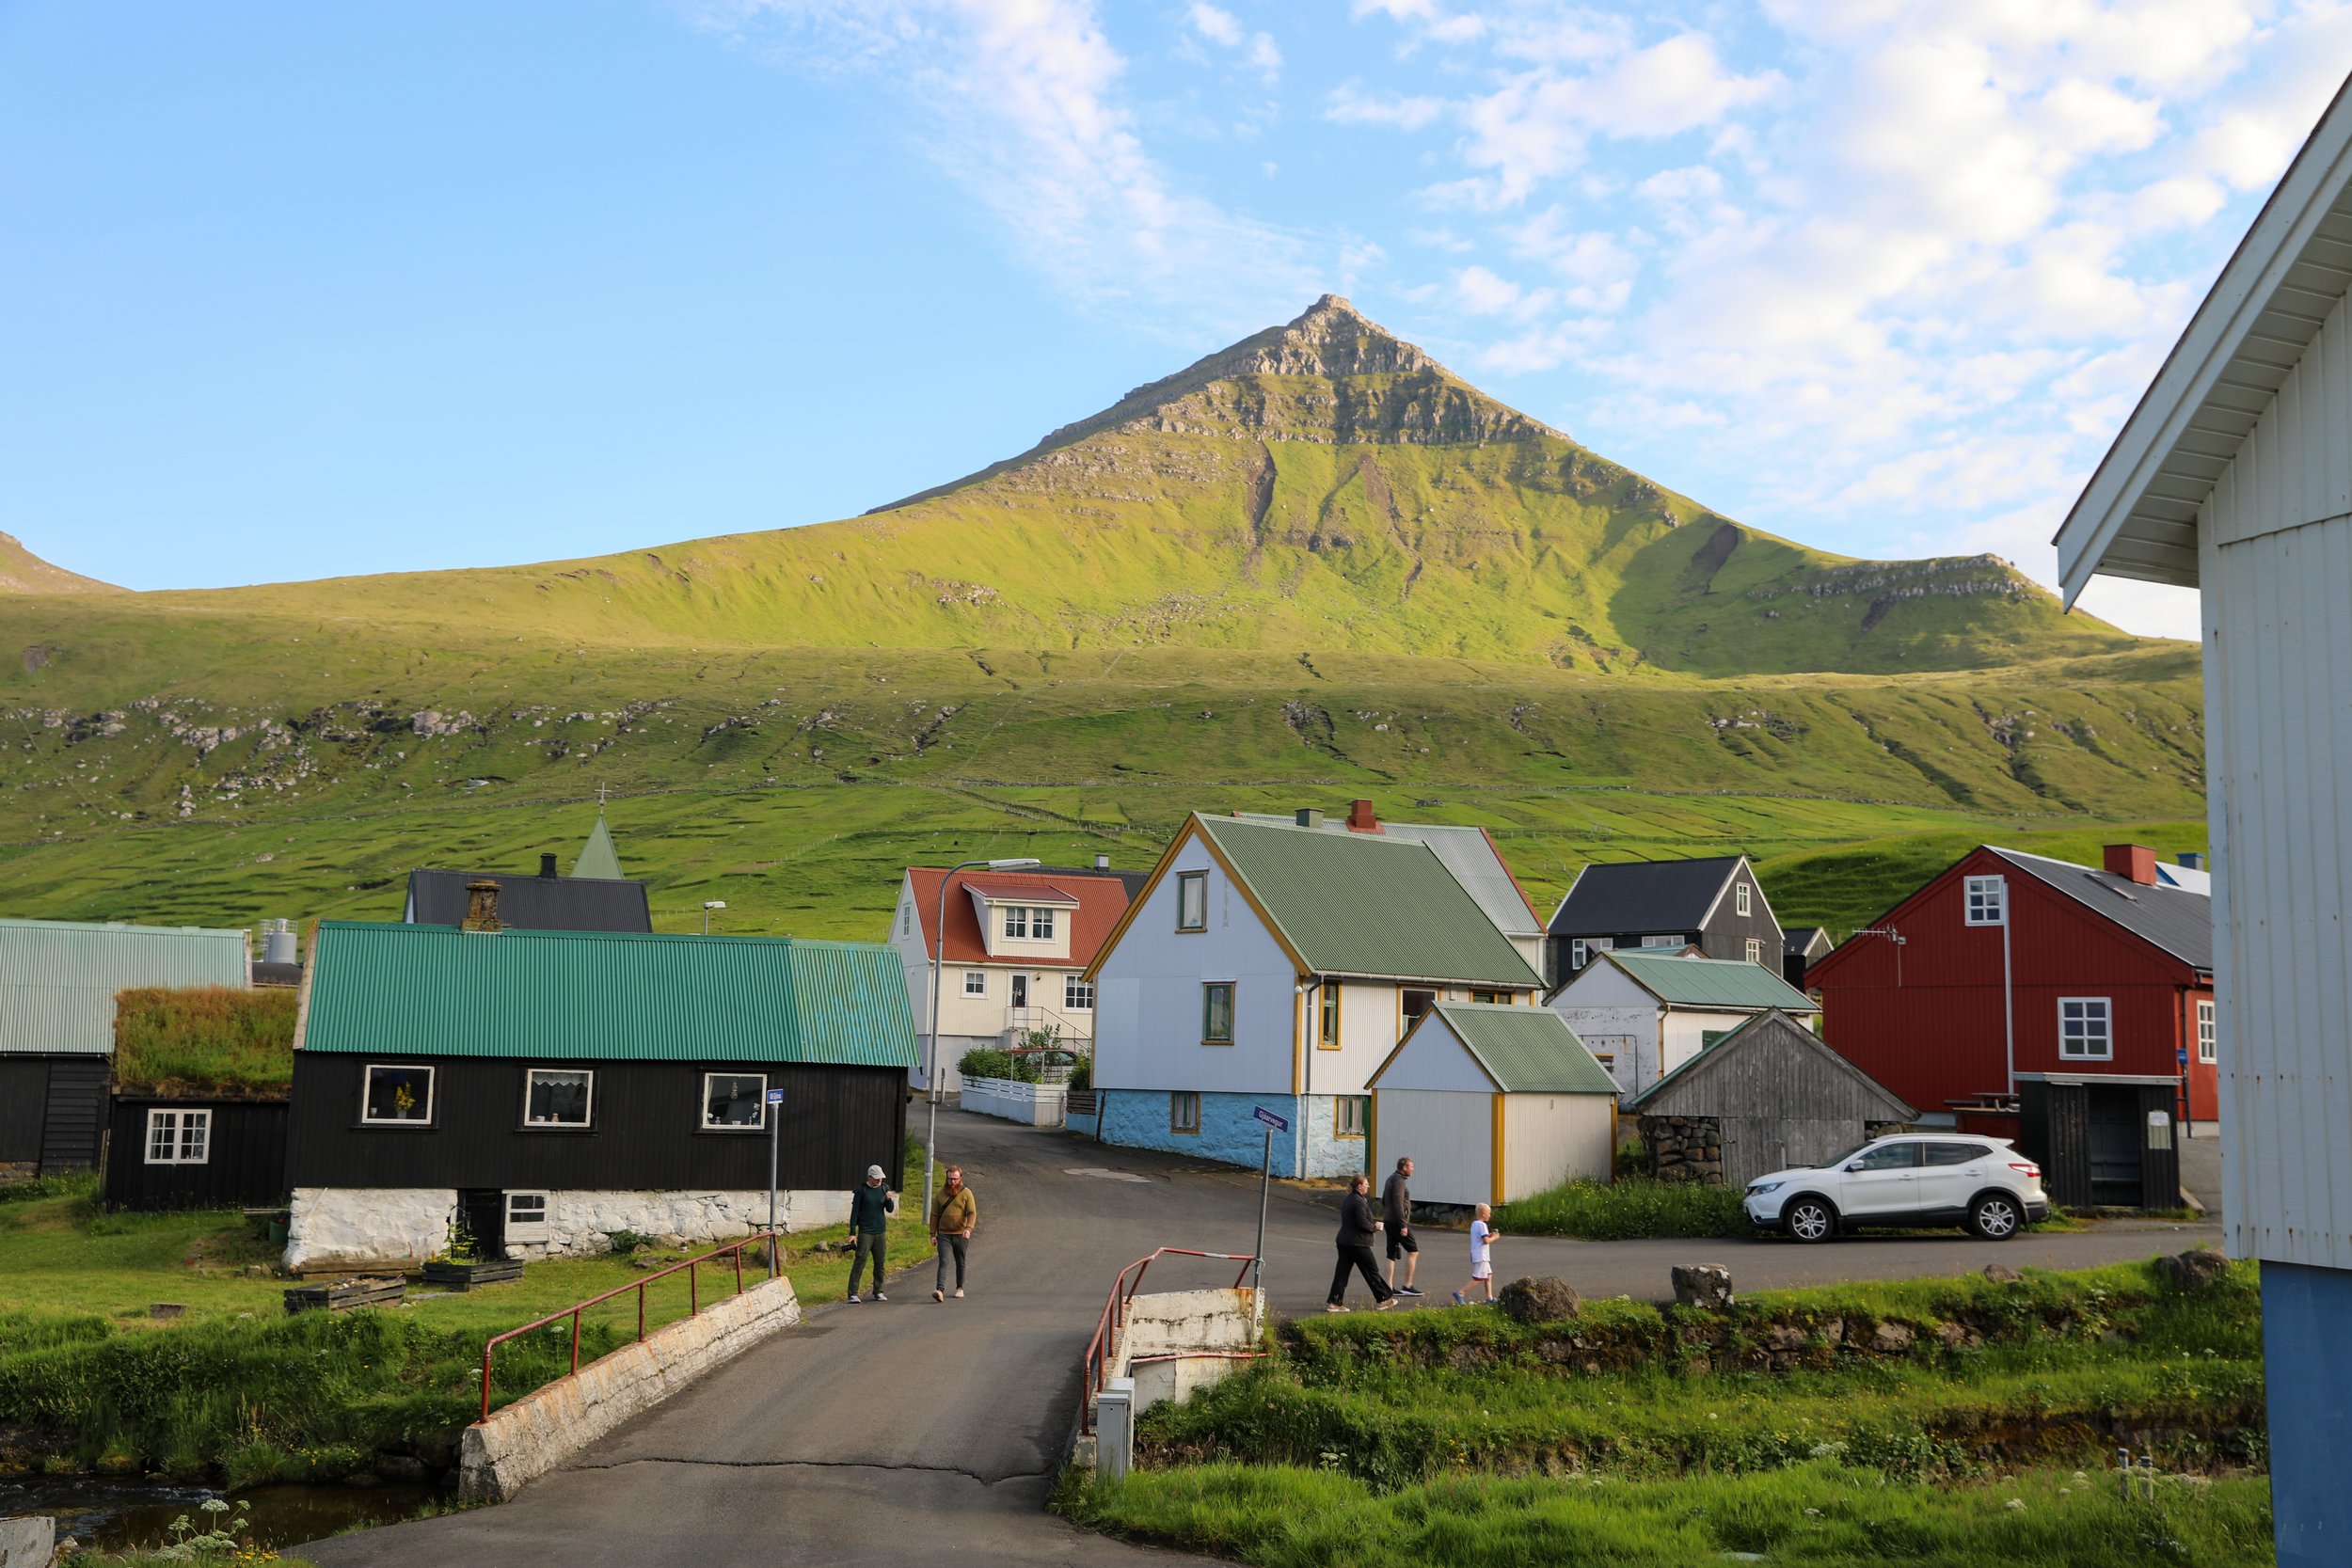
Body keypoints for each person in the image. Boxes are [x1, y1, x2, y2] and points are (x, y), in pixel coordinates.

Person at [1327, 1173, 1397, 1313]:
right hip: (1357, 1243)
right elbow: (1362, 1223)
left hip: (1344, 1242)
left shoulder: (1350, 1199)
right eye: (1366, 1184)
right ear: (1359, 1186)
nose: (1368, 1186)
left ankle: (1334, 1303)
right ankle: (1383, 1300)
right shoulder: (1359, 1202)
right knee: (1371, 1271)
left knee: (1342, 1273)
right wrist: (1374, 1227)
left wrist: (1371, 1223)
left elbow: (1356, 1220)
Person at [847, 1164, 898, 1303]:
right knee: (860, 1261)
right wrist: (852, 1232)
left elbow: (890, 1209)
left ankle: (878, 1291)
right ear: (869, 1177)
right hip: (865, 1231)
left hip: (880, 1231)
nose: (878, 1180)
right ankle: (853, 1293)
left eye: (880, 1178)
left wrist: (889, 1199)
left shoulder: (884, 1188)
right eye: (876, 1178)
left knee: (880, 1262)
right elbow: (855, 1212)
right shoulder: (861, 1190)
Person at [930, 1164, 977, 1302]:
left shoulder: (966, 1193)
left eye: (955, 1179)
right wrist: (933, 1234)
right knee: (943, 1260)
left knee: (960, 1261)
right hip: (944, 1234)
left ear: (960, 1178)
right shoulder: (940, 1194)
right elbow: (934, 1215)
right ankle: (939, 1290)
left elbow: (972, 1213)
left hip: (961, 1233)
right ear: (946, 1178)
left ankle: (959, 1288)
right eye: (950, 1179)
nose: (952, 1182)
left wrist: (968, 1229)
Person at [1381, 1155, 1422, 1296]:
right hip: (1398, 1222)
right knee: (1413, 1251)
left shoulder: (1390, 1179)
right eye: (1411, 1167)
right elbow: (1398, 1203)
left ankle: (1388, 1286)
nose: (1413, 1169)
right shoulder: (1399, 1181)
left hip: (1389, 1220)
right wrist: (1403, 1224)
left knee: (1391, 1253)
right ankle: (1407, 1285)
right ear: (1404, 1167)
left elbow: (1384, 1200)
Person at [1454, 1203, 1500, 1306]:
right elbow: (1486, 1241)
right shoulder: (1482, 1225)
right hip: (1481, 1255)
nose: (1490, 1215)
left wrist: (1490, 1235)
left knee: (1488, 1276)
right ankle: (1460, 1293)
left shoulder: (1475, 1224)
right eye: (1489, 1213)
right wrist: (1494, 1237)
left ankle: (1490, 1298)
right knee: (1479, 1278)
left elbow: (1482, 1237)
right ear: (1483, 1214)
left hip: (1478, 1254)